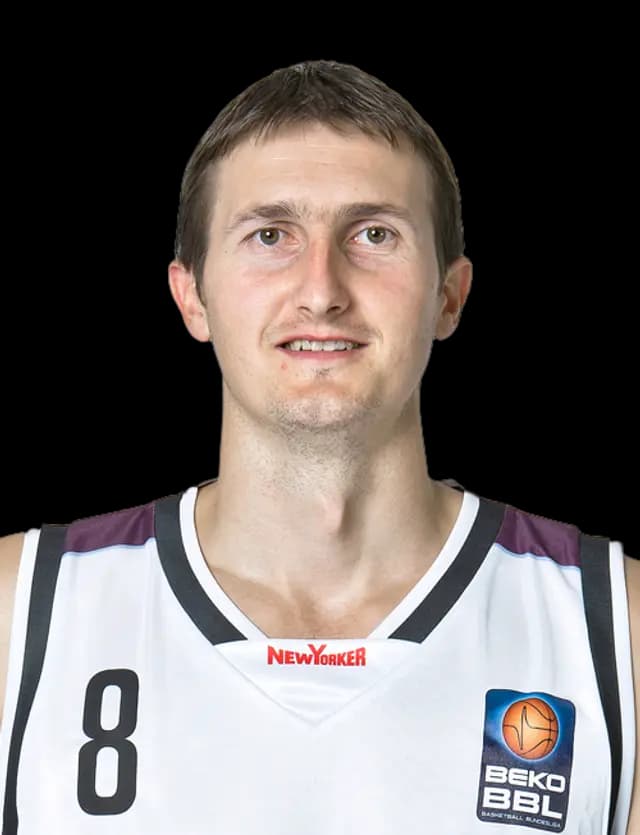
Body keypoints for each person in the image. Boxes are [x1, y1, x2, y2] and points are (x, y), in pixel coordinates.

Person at [0, 59, 636, 834]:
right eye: (270, 235)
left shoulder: (615, 630)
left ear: (450, 295)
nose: (321, 289)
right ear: (192, 295)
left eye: (374, 234)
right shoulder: (21, 611)